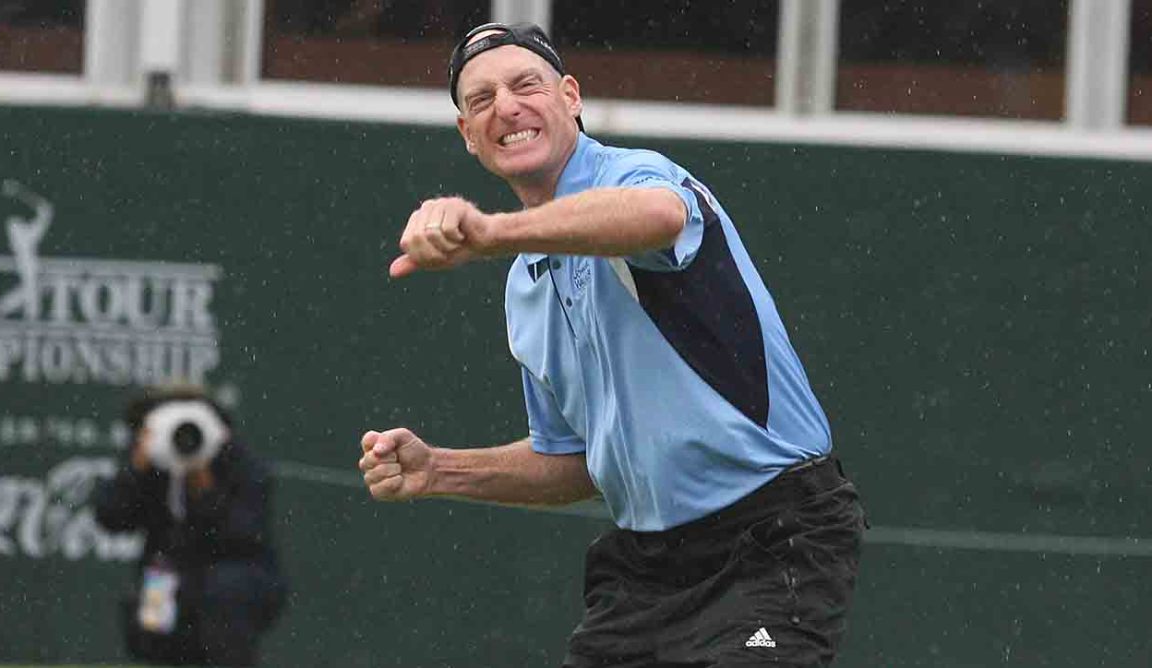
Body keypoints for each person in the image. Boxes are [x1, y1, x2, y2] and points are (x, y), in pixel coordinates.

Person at [358, 22, 866, 668]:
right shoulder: (525, 286)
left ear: (570, 96)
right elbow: (576, 461)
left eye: (525, 85)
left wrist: (491, 232)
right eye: (481, 99)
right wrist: (439, 470)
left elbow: (658, 216)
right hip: (647, 570)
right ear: (467, 133)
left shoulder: (633, 176)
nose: (506, 107)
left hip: (771, 537)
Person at [92, 384, 288, 667]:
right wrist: (136, 469)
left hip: (236, 577)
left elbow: (243, 533)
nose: (182, 437)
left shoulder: (238, 462)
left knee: (222, 595)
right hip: (169, 575)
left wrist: (203, 486)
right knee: (152, 619)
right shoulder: (151, 463)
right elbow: (110, 516)